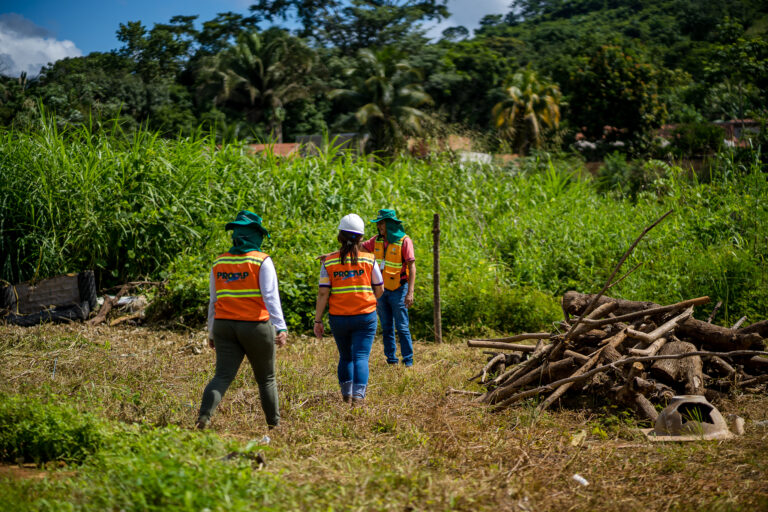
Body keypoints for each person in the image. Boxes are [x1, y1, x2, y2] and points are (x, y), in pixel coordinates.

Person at [196, 210, 288, 430]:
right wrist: (280, 326)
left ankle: (203, 417)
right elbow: (270, 296)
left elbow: (213, 301)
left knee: (222, 376)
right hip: (255, 326)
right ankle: (274, 425)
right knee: (266, 378)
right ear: (256, 235)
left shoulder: (219, 262)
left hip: (224, 326)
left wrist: (210, 332)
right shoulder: (261, 261)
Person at [314, 214, 384, 404]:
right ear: (361, 238)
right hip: (365, 316)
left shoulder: (328, 262)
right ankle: (358, 400)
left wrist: (318, 320)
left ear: (340, 236)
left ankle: (346, 397)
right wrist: (368, 300)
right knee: (361, 356)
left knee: (345, 357)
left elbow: (322, 294)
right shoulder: (370, 260)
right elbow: (379, 289)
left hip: (339, 317)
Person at [362, 209, 416, 367]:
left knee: (402, 327)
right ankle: (391, 361)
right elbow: (356, 249)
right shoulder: (376, 241)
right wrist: (333, 255)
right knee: (386, 327)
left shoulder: (404, 241)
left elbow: (412, 267)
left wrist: (410, 292)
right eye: (378, 223)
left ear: (390, 224)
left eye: (382, 223)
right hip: (380, 292)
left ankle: (408, 362)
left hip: (399, 290)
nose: (379, 226)